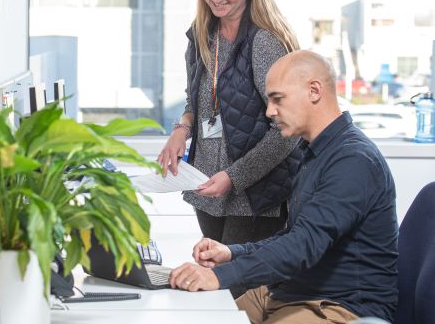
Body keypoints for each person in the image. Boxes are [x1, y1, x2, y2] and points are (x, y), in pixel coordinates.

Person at [168, 50, 399, 323]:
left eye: (278, 99)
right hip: (290, 290)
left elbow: (303, 246)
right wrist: (232, 253)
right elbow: (293, 235)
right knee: (190, 312)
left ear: (314, 91)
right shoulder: (315, 151)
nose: (270, 111)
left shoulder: (353, 160)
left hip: (336, 305)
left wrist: (217, 276)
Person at [158, 0, 300, 248]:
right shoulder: (201, 35)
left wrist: (234, 177)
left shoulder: (264, 43)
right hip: (207, 186)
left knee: (237, 291)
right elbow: (194, 100)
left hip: (255, 195)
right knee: (215, 283)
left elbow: (289, 131)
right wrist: (181, 129)